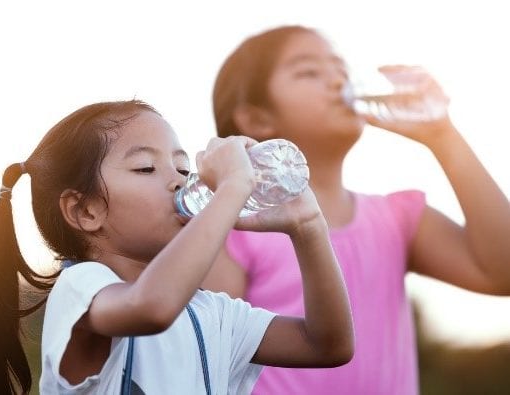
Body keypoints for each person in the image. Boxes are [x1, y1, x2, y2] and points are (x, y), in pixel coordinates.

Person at [203, 25, 510, 395]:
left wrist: (443, 137)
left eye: (341, 71)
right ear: (256, 120)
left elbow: (500, 272)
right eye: (308, 71)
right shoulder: (237, 225)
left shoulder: (397, 219)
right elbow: (210, 352)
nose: (337, 82)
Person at [0, 100, 354, 395]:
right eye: (145, 168)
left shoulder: (212, 312)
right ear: (85, 210)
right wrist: (235, 186)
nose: (179, 183)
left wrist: (309, 228)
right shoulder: (82, 289)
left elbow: (326, 345)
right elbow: (152, 307)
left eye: (184, 169)